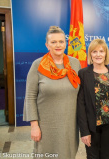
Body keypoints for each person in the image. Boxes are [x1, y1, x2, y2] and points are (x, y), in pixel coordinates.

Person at [23, 26, 81, 159]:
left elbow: (81, 94)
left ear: (65, 44)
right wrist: (34, 126)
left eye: (61, 41)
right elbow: (30, 97)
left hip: (70, 125)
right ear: (47, 45)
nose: (58, 45)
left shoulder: (75, 64)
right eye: (53, 42)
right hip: (46, 127)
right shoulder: (38, 65)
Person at [77, 39, 109, 159]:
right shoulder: (83, 73)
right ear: (90, 54)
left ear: (106, 54)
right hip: (91, 127)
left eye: (101, 51)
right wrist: (84, 131)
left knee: (106, 156)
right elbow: (81, 105)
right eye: (94, 51)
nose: (98, 54)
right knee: (92, 156)